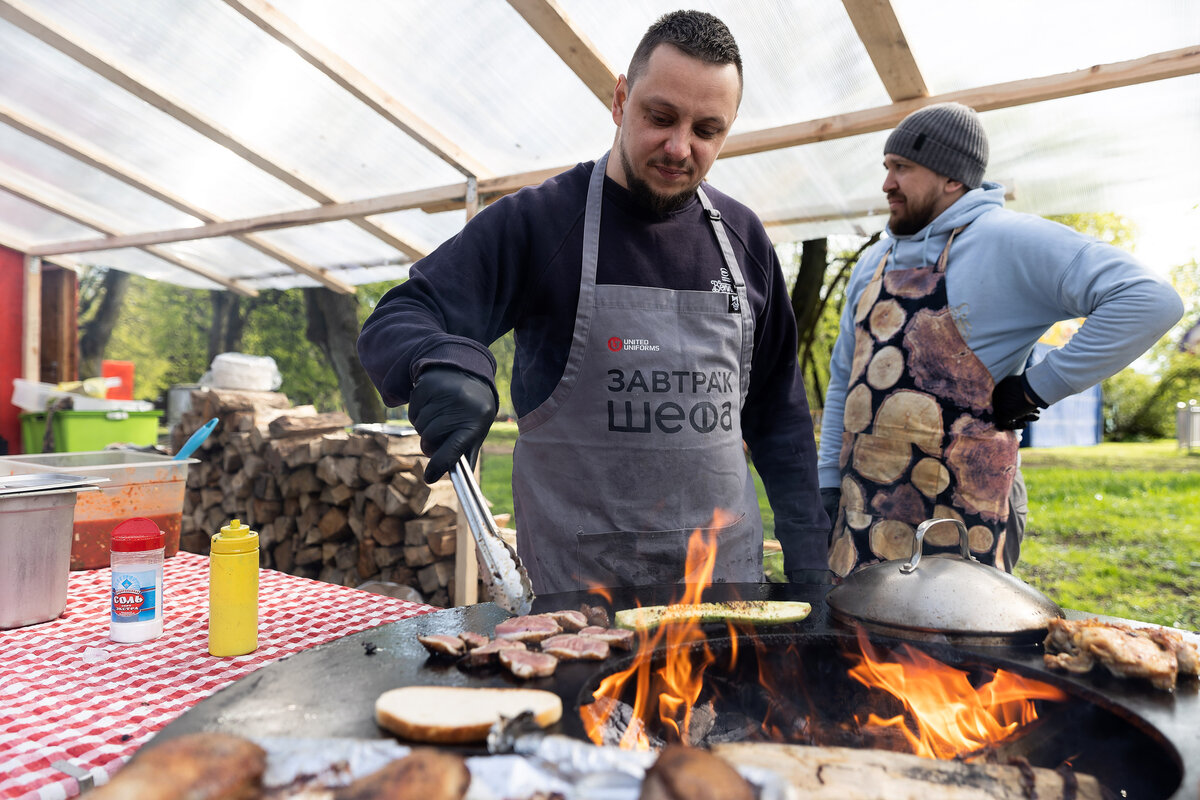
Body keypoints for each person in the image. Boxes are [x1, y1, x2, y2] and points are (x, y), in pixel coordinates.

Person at [358, 11, 829, 594]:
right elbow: (400, 316)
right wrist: (448, 363)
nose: (679, 147)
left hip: (724, 595)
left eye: (706, 130)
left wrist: (810, 560)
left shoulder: (743, 238)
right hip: (578, 599)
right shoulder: (541, 222)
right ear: (620, 100)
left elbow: (779, 416)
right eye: (660, 117)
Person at [817, 102, 1183, 577]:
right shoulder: (874, 262)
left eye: (902, 168)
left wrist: (1037, 386)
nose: (887, 184)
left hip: (968, 512)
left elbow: (1149, 299)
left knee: (955, 646)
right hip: (863, 503)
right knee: (861, 643)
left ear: (952, 178)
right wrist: (827, 481)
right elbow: (843, 382)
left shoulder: (1008, 240)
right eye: (887, 168)